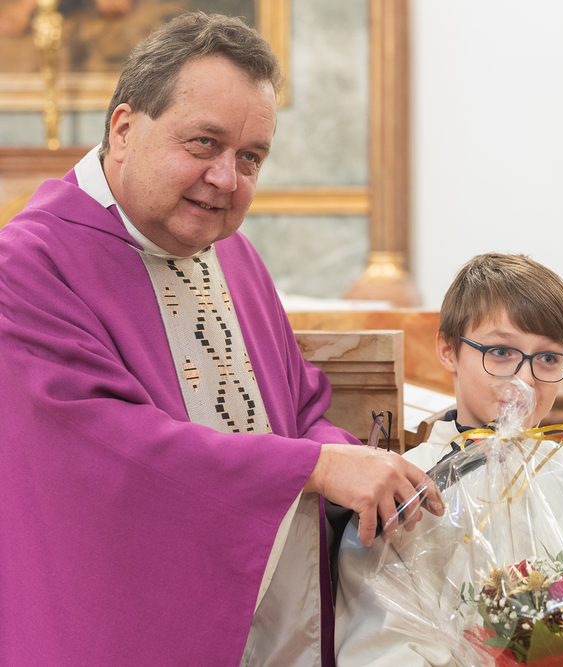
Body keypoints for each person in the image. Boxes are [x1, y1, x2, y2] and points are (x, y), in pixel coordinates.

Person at [0, 12, 440, 666]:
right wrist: (315, 468)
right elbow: (113, 453)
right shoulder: (30, 265)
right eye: (204, 143)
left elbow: (301, 411)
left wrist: (369, 470)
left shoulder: (231, 257)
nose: (227, 179)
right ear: (124, 130)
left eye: (250, 157)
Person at [335, 253, 563, 667]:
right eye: (501, 351)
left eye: (548, 358)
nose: (525, 379)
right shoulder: (402, 491)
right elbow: (380, 649)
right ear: (448, 350)